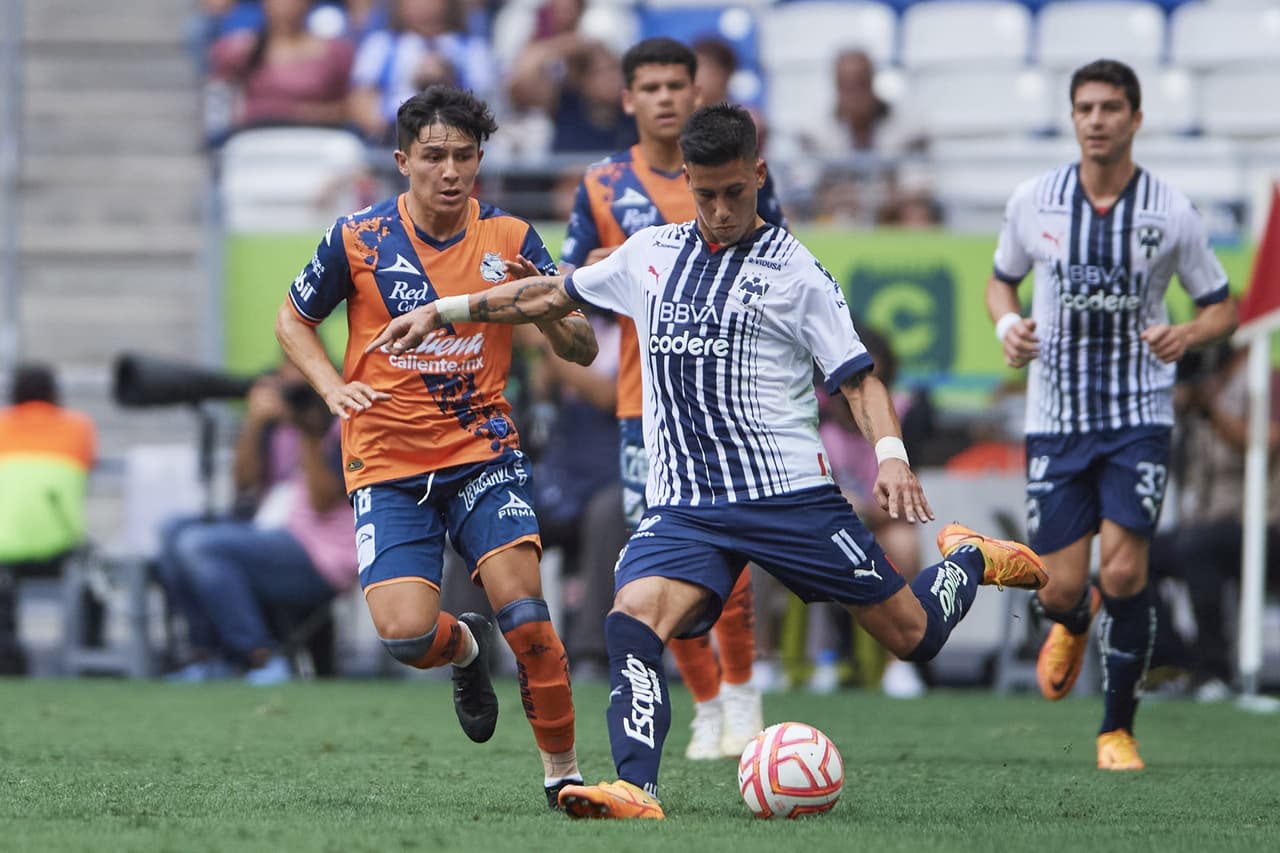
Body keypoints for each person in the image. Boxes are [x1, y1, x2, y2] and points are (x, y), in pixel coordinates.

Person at [368, 102, 1049, 818]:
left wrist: (891, 455)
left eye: (735, 193)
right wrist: (447, 311)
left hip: (791, 499)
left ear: (759, 174)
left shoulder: (798, 273)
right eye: (706, 194)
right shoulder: (651, 254)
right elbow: (549, 290)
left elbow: (859, 378)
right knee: (630, 616)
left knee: (914, 635)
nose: (721, 210)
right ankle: (636, 784)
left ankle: (971, 557)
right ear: (687, 180)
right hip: (687, 507)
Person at [274, 85, 596, 809]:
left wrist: (544, 310)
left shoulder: (511, 238)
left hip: (482, 452)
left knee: (530, 615)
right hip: (385, 460)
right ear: (402, 161)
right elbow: (292, 322)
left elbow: (582, 346)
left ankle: (564, 775)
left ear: (481, 158)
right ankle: (466, 648)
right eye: (433, 157)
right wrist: (331, 389)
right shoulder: (357, 237)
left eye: (463, 156)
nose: (449, 171)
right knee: (404, 634)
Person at [987, 59, 1237, 771]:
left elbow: (1221, 306)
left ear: (1136, 118)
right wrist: (1008, 328)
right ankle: (1068, 619)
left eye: (1111, 107)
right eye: (1085, 108)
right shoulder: (1034, 201)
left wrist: (1186, 335)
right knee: (1065, 584)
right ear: (1072, 118)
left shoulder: (1171, 210)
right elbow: (1001, 282)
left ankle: (1116, 729)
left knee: (1126, 574)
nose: (1097, 119)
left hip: (1138, 415)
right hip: (1056, 416)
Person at [559, 37, 787, 762]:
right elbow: (566, 290)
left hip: (730, 399)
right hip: (644, 408)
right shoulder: (599, 186)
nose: (662, 96)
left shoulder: (739, 176)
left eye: (674, 84)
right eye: (648, 86)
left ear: (696, 93)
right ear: (627, 99)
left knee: (736, 555)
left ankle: (745, 696)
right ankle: (709, 706)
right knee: (662, 565)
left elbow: (779, 266)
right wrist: (593, 269)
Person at [157, 361, 356, 684]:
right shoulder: (272, 427)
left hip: (321, 554)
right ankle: (210, 654)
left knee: (199, 545)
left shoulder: (340, 425)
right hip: (271, 531)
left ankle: (259, 657)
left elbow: (322, 501)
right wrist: (253, 423)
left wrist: (307, 430)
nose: (294, 399)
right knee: (172, 532)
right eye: (287, 389)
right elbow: (244, 484)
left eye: (303, 391)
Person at [0, 364, 97, 674]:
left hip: (3, 545)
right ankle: (92, 655)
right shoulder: (78, 427)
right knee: (96, 581)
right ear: (56, 394)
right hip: (58, 543)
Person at [207, 0, 356, 134]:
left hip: (316, 139)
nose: (285, 5)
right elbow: (220, 99)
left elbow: (353, 106)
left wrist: (314, 115)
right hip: (255, 140)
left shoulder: (336, 53)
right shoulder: (240, 51)